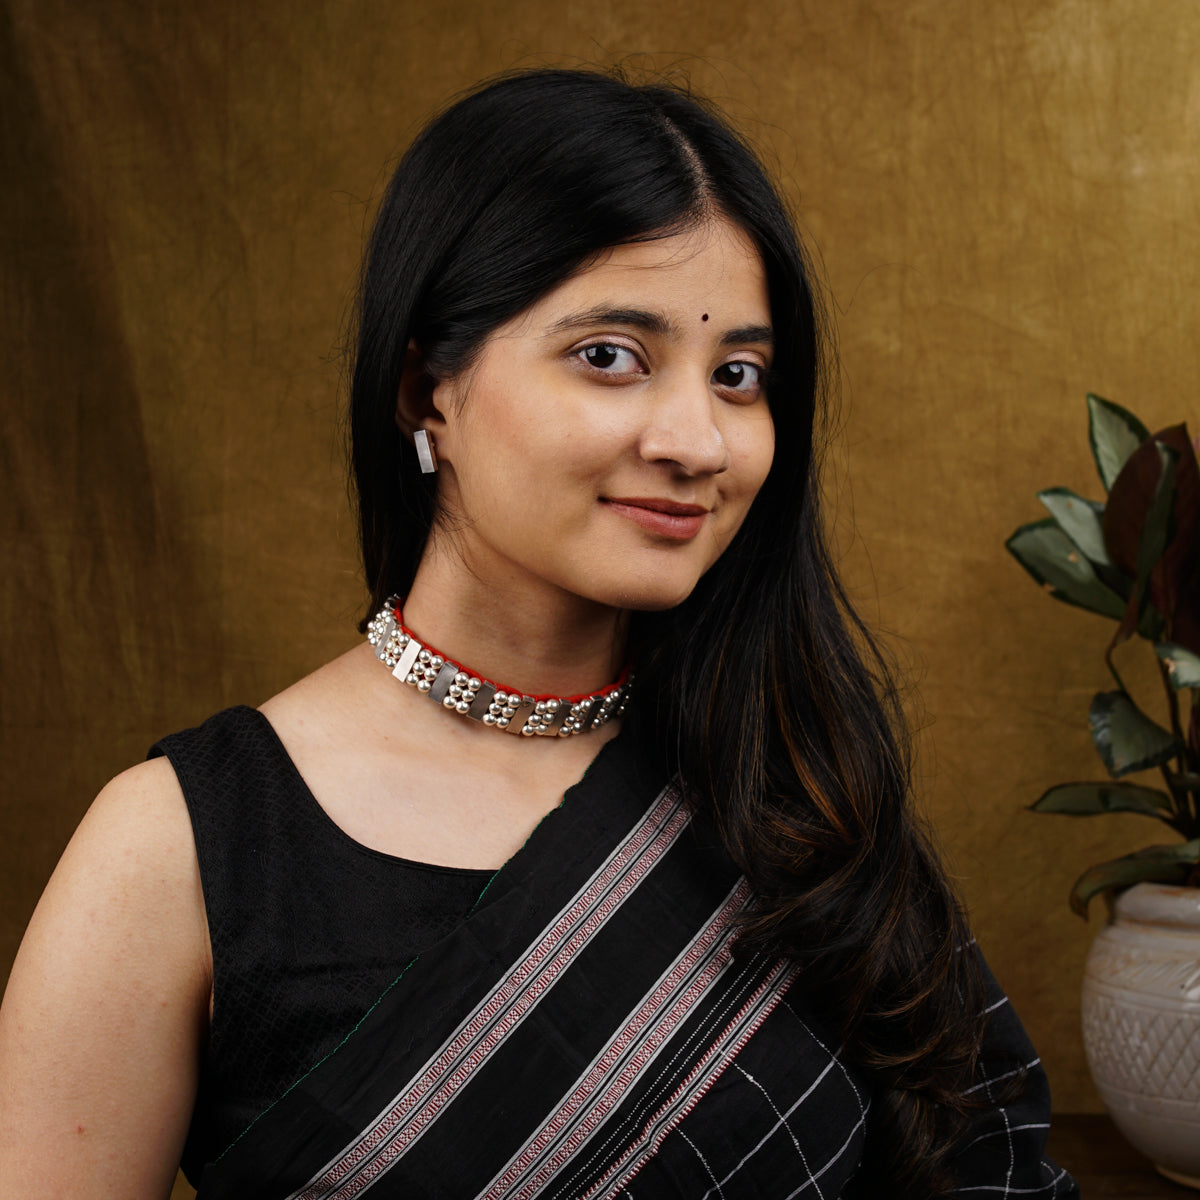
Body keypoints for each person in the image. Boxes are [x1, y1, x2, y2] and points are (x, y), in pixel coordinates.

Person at [0, 68, 1077, 1199]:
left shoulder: (797, 784)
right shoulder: (178, 852)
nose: (696, 440)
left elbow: (985, 1161)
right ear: (428, 391)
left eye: (740, 376)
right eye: (610, 354)